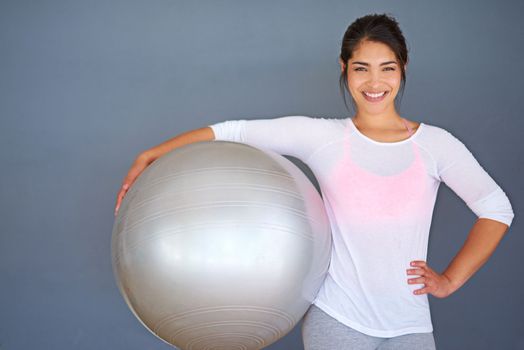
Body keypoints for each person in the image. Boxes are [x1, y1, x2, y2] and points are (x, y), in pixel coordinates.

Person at [114, 13, 514, 350]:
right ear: (344, 68)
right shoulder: (322, 138)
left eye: (386, 68)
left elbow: (496, 208)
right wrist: (150, 154)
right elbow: (232, 130)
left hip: (409, 326)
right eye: (362, 68)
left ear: (403, 69)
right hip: (336, 321)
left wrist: (449, 280)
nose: (374, 83)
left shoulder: (435, 145)